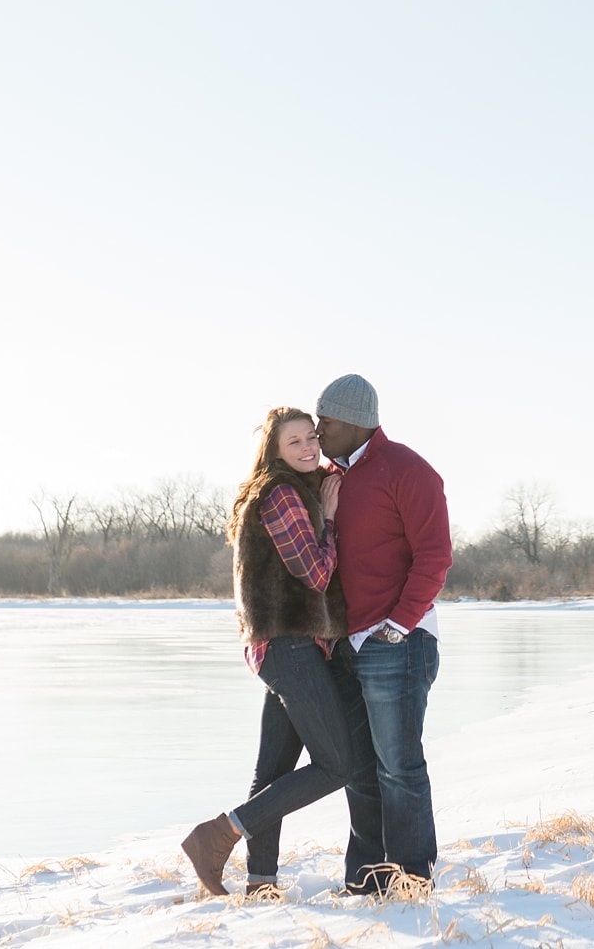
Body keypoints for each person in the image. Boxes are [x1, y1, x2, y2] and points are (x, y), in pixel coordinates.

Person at [180, 407, 378, 898]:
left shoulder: (291, 488)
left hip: (283, 644)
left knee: (273, 772)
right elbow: (315, 573)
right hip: (287, 643)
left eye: (312, 437)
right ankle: (218, 833)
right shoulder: (283, 495)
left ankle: (261, 883)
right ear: (274, 451)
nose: (309, 447)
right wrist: (330, 519)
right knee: (338, 764)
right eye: (295, 442)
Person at [315, 373, 452, 888]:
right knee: (360, 770)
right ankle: (368, 879)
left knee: (398, 767)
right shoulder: (331, 477)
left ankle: (413, 878)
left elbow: (435, 556)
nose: (318, 429)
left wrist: (397, 625)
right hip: (346, 646)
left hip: (398, 641)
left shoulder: (408, 471)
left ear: (351, 421)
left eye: (324, 420)